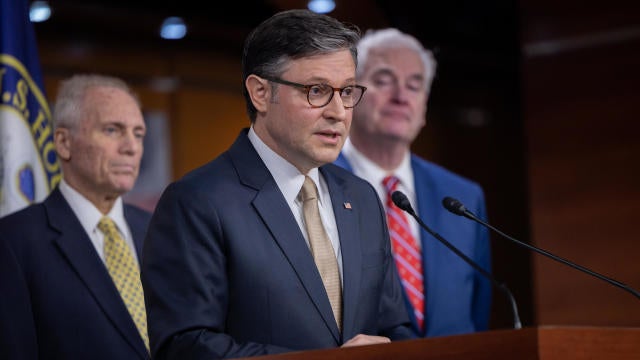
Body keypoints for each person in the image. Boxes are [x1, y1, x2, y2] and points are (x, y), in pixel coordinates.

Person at [141, 9, 414, 360]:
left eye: (346, 91)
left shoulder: (361, 197)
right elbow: (184, 346)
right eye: (317, 90)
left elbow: (393, 327)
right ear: (259, 93)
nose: (338, 111)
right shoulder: (196, 202)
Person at [334, 28, 492, 337]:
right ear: (350, 94)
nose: (401, 96)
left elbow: (478, 307)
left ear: (424, 105)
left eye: (414, 85)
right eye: (383, 80)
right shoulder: (316, 183)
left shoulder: (463, 196)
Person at [0, 74, 151, 359]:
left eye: (138, 134)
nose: (131, 147)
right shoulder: (13, 242)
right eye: (112, 130)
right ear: (64, 142)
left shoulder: (159, 230)